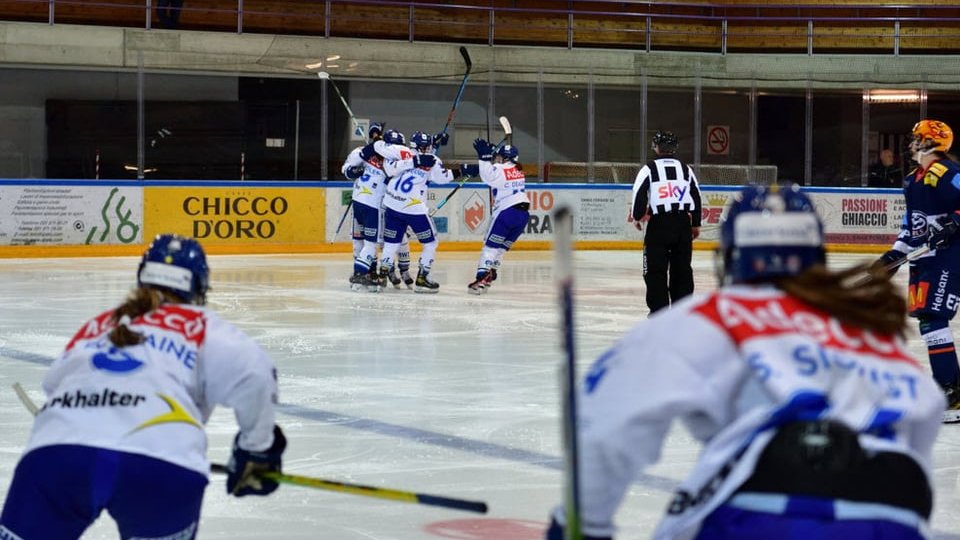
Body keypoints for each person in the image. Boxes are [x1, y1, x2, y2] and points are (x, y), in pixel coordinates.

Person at [546, 184, 944, 540]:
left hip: (763, 512)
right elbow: (924, 414)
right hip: (896, 515)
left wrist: (583, 524)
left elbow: (611, 423)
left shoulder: (710, 315)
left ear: (732, 255)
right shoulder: (865, 331)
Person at [0, 234, 285, 540]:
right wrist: (256, 451)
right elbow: (256, 376)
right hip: (161, 465)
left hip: (58, 457)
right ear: (199, 288)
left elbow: (54, 384)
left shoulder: (101, 324)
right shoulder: (201, 324)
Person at [876, 119, 960, 423]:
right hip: (924, 259)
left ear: (929, 143)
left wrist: (954, 222)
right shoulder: (912, 180)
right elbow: (912, 227)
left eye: (916, 138)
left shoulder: (946, 173)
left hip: (948, 256)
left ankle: (952, 393)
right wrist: (893, 255)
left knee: (934, 316)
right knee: (927, 320)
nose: (910, 142)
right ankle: (948, 388)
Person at [378, 131, 467, 293]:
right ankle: (422, 278)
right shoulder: (433, 160)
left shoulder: (402, 153)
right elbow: (442, 178)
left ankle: (381, 276)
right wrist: (462, 170)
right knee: (431, 243)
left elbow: (390, 169)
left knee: (391, 244)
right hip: (413, 209)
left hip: (392, 204)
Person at [629, 130, 702, 314]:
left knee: (655, 271)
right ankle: (681, 313)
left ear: (655, 147)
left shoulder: (649, 169)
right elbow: (696, 196)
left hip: (659, 225)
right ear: (675, 148)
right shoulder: (686, 169)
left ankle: (659, 314)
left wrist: (638, 216)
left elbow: (639, 194)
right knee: (682, 270)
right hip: (682, 225)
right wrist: (696, 224)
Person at [465, 138, 529, 294]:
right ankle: (491, 273)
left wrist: (484, 157)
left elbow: (488, 175)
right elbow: (494, 176)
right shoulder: (519, 170)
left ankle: (481, 278)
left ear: (504, 158)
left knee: (490, 247)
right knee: (500, 249)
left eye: (499, 157)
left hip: (507, 212)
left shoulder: (500, 169)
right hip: (523, 216)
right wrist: (491, 156)